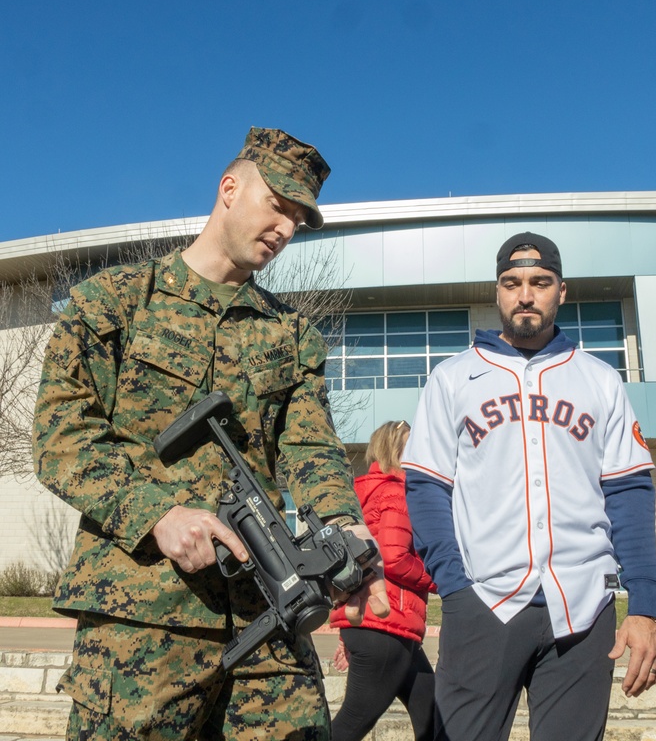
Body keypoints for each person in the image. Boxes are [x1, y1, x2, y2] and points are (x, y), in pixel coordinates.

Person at [32, 127, 389, 741]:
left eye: (299, 219)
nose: (285, 228)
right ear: (230, 188)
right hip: (141, 617)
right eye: (279, 204)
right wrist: (159, 512)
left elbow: (310, 446)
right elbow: (60, 436)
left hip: (270, 610)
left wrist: (343, 528)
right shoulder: (113, 304)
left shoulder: (293, 336)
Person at [402, 231, 656, 741]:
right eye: (512, 282)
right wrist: (455, 587)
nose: (525, 294)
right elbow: (427, 489)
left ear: (560, 292)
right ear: (498, 291)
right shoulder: (453, 378)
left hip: (584, 606)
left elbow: (630, 493)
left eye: (540, 282)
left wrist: (647, 605)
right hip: (485, 601)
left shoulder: (599, 379)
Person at [329, 420, 436, 741]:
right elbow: (393, 558)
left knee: (431, 712)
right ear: (399, 452)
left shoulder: (361, 494)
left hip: (380, 624)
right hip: (386, 624)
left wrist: (349, 634)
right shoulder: (395, 492)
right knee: (350, 725)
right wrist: (438, 579)